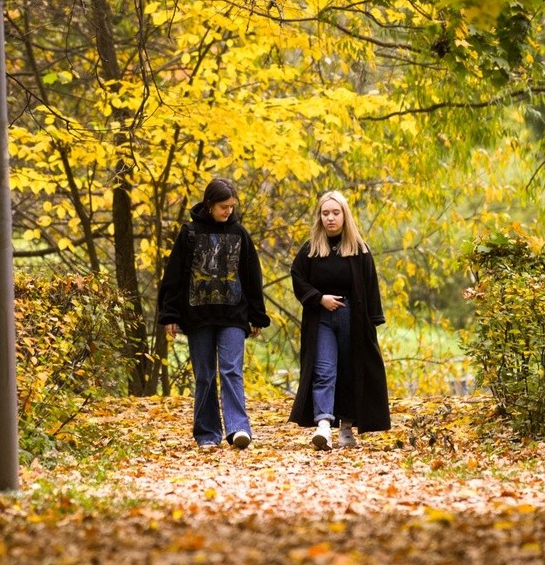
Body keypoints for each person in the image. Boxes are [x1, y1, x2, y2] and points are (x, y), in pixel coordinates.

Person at [157, 178, 270, 450]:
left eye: (231, 206)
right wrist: (169, 314)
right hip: (197, 316)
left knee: (231, 370)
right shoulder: (189, 234)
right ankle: (207, 433)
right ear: (209, 205)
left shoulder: (240, 234)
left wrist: (257, 315)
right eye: (223, 206)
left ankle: (238, 428)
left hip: (233, 314)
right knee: (205, 374)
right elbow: (174, 277)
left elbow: (252, 277)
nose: (228, 211)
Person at [288, 190, 390, 450]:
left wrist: (372, 321)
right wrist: (318, 298)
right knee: (324, 370)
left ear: (345, 215)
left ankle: (346, 427)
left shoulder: (359, 249)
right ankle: (323, 425)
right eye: (325, 213)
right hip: (321, 317)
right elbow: (297, 276)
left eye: (335, 213)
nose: (330, 218)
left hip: (352, 319)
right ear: (319, 217)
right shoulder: (311, 249)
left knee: (349, 370)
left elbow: (370, 286)